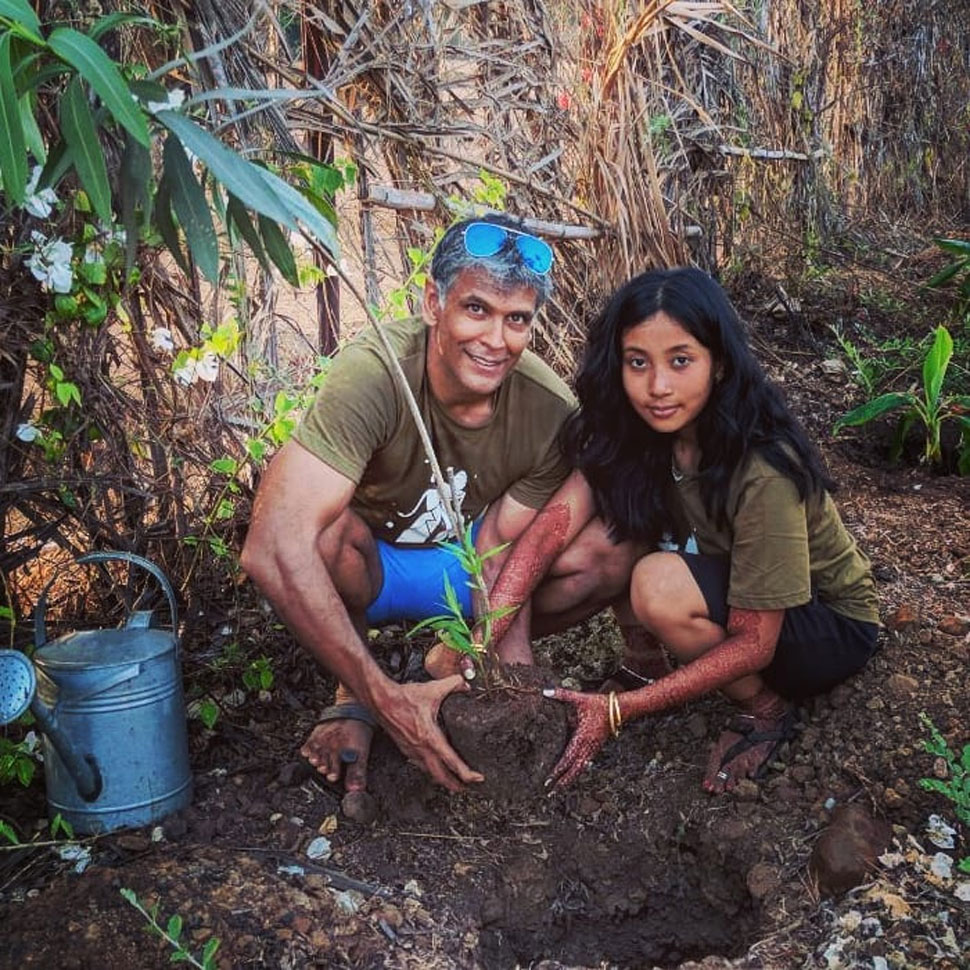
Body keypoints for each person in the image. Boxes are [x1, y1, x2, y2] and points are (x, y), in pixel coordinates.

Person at [240, 214, 637, 795]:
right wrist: (383, 703)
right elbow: (269, 546)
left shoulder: (548, 410)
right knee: (317, 536)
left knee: (608, 550)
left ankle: (450, 659)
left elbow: (501, 552)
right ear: (433, 302)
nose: (496, 341)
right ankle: (350, 696)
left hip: (464, 564)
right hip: (369, 567)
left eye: (517, 320)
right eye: (476, 309)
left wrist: (510, 677)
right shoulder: (375, 374)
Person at [484, 267, 881, 793]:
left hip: (825, 625)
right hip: (742, 596)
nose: (658, 387)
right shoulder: (641, 432)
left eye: (681, 361)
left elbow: (755, 645)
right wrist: (483, 638)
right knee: (616, 523)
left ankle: (766, 711)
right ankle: (644, 659)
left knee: (658, 581)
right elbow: (549, 531)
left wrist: (617, 710)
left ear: (718, 364)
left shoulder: (761, 466)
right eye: (638, 363)